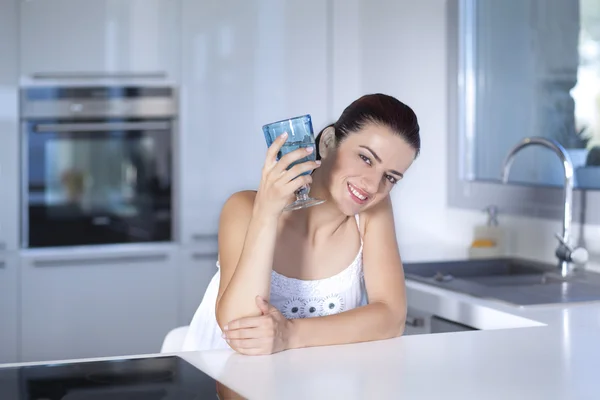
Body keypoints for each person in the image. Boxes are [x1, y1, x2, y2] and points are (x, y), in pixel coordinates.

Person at [182, 93, 421, 355]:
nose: (373, 185)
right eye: (365, 158)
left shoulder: (373, 209)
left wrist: (290, 334)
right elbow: (239, 328)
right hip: (219, 381)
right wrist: (267, 213)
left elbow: (391, 318)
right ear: (329, 142)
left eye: (390, 177)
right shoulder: (243, 208)